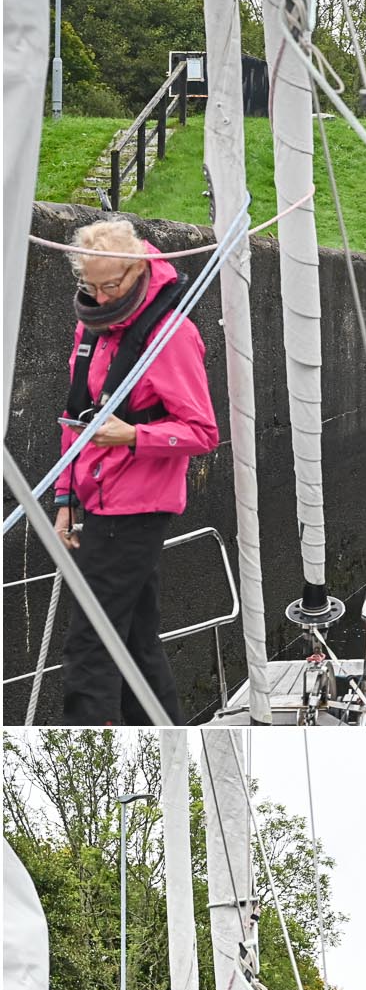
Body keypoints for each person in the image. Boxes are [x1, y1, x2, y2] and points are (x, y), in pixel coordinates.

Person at [52, 218, 217, 724]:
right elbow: (75, 416)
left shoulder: (171, 335)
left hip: (135, 510)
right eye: (91, 287)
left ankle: (92, 737)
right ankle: (162, 735)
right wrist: (64, 500)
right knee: (136, 644)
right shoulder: (92, 328)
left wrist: (132, 435)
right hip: (96, 504)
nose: (101, 298)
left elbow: (202, 432)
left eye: (112, 285)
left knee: (91, 647)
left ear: (138, 272)